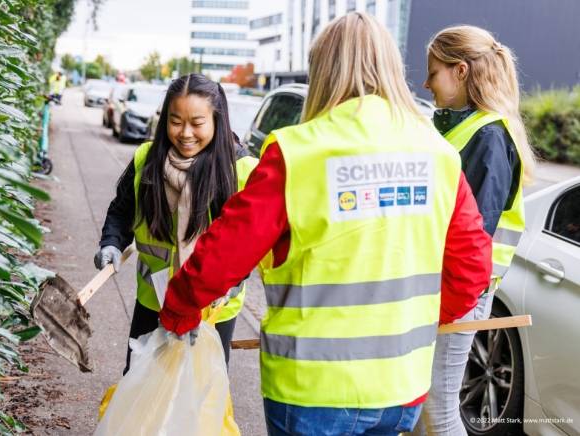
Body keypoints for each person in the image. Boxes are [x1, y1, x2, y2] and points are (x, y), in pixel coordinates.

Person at [157, 13, 493, 436]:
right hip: (401, 387)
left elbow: (226, 251)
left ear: (323, 72)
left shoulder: (299, 153)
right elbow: (472, 268)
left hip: (311, 388)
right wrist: (418, 323)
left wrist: (179, 308)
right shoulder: (438, 153)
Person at [411, 25, 536, 436]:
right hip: (446, 289)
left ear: (460, 70)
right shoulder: (461, 128)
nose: (426, 82)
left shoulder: (488, 136)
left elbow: (472, 235)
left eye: (433, 72)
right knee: (423, 406)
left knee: (440, 410)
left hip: (462, 293)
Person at [94, 73, 258, 373]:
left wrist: (207, 300)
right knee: (141, 391)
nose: (185, 133)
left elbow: (249, 247)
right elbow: (122, 211)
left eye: (197, 123)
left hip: (212, 313)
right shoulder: (147, 159)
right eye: (175, 121)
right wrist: (111, 243)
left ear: (217, 121)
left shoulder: (241, 171)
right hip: (152, 303)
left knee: (198, 401)